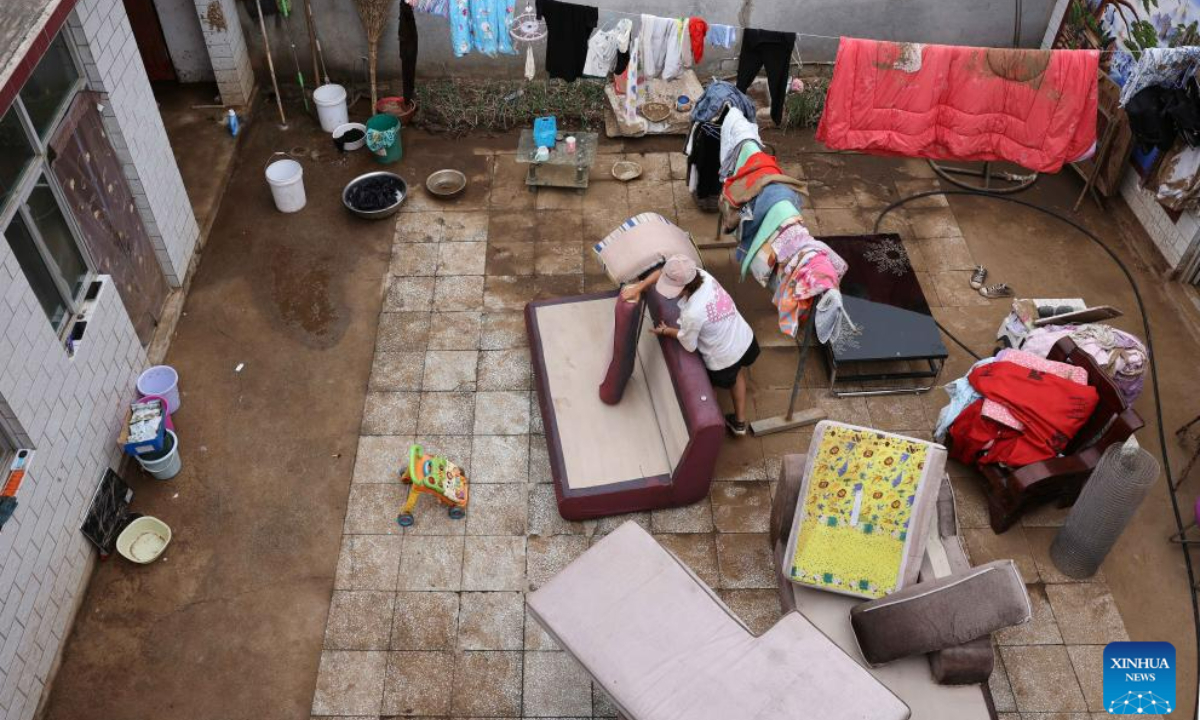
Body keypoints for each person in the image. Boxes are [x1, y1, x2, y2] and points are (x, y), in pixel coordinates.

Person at [621, 254, 760, 436]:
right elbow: (662, 273)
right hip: (742, 337)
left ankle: (708, 427)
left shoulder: (693, 312)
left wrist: (665, 331)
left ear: (684, 287)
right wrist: (639, 287)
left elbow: (688, 344)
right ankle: (739, 423)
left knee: (708, 389)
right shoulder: (702, 276)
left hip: (722, 358)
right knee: (738, 373)